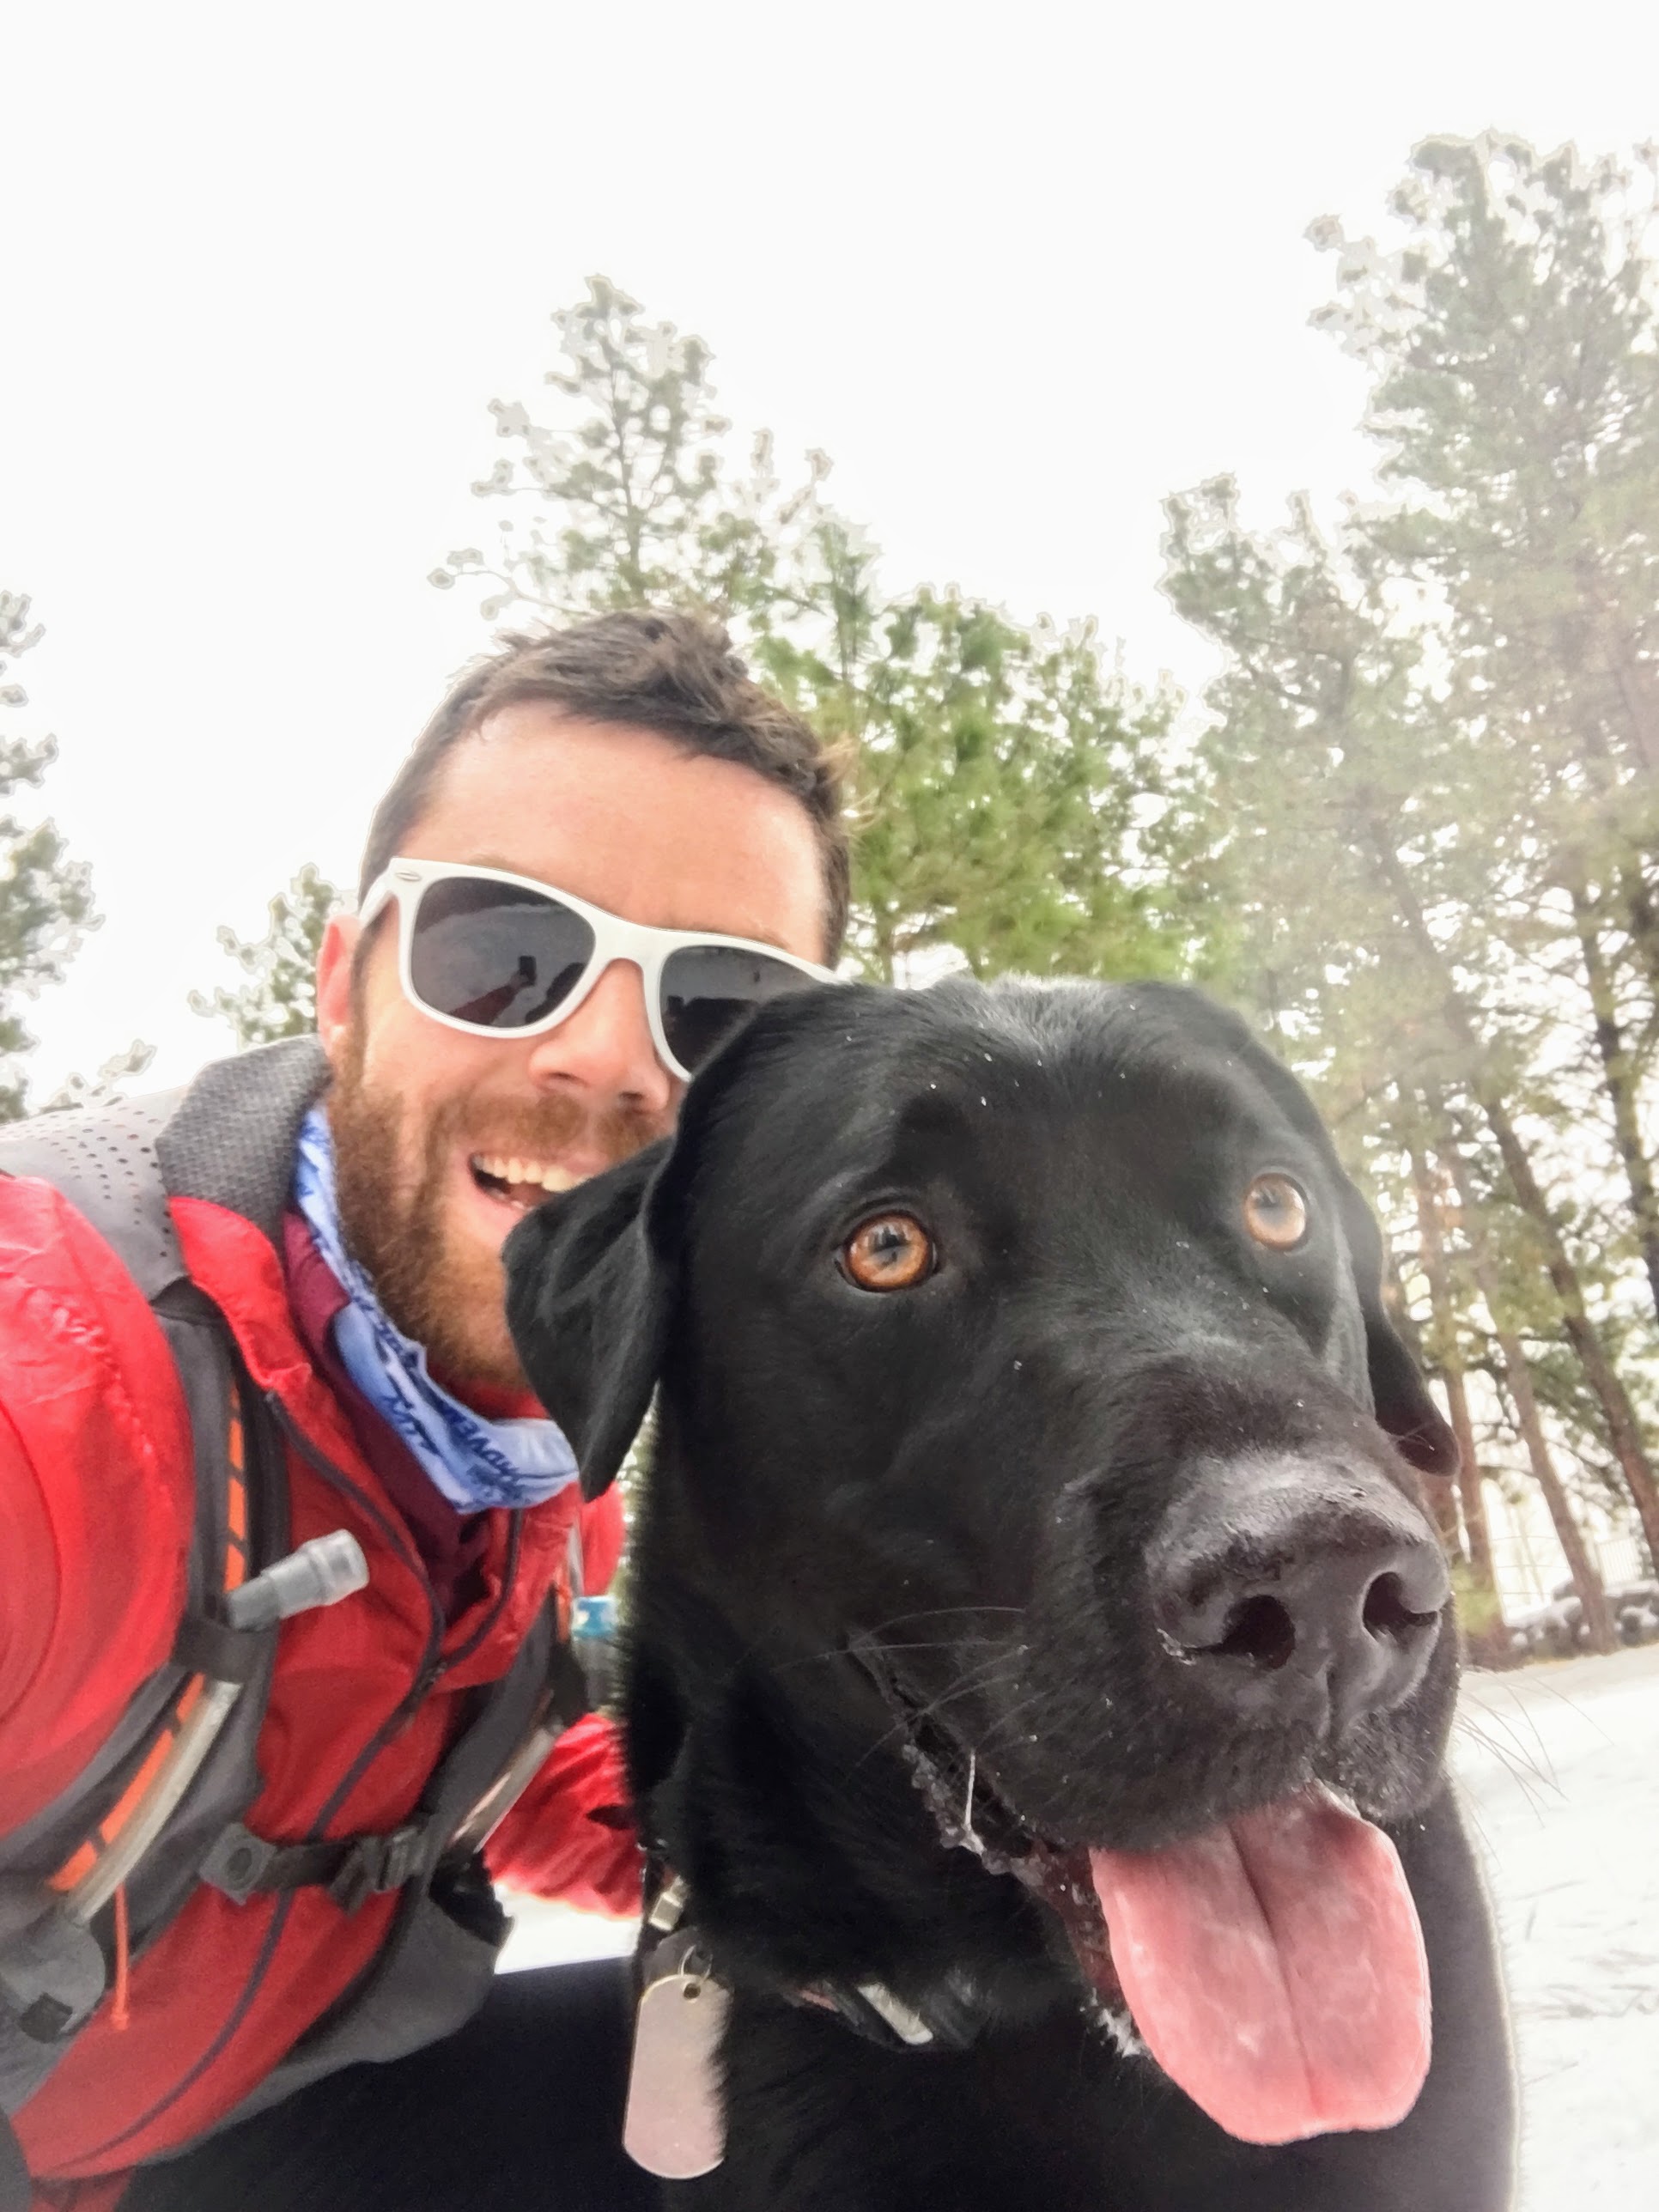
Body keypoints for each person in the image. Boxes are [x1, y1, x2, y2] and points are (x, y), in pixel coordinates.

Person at [0, 611, 848, 2210]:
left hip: (235, 2135)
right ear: (344, 984)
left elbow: (490, 1749)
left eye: (725, 1014)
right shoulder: (58, 1399)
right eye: (503, 947)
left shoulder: (540, 1455)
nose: (603, 1059)